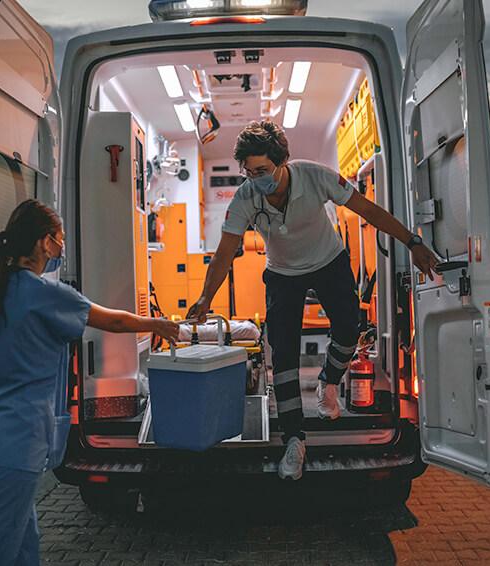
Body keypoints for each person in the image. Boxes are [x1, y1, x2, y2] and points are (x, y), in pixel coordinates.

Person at [0, 199, 178, 565]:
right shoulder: (45, 295)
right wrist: (156, 324)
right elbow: (114, 322)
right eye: (59, 238)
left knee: (24, 544)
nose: (61, 246)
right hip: (14, 445)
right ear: (45, 243)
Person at [185, 121, 438, 481]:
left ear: (282, 161)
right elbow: (225, 251)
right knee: (283, 355)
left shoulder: (315, 176)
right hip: (282, 273)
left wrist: (412, 242)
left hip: (328, 262)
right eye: (249, 171)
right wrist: (205, 297)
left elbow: (368, 210)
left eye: (262, 170)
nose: (256, 178)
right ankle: (294, 440)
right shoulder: (245, 197)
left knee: (349, 331)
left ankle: (329, 381)